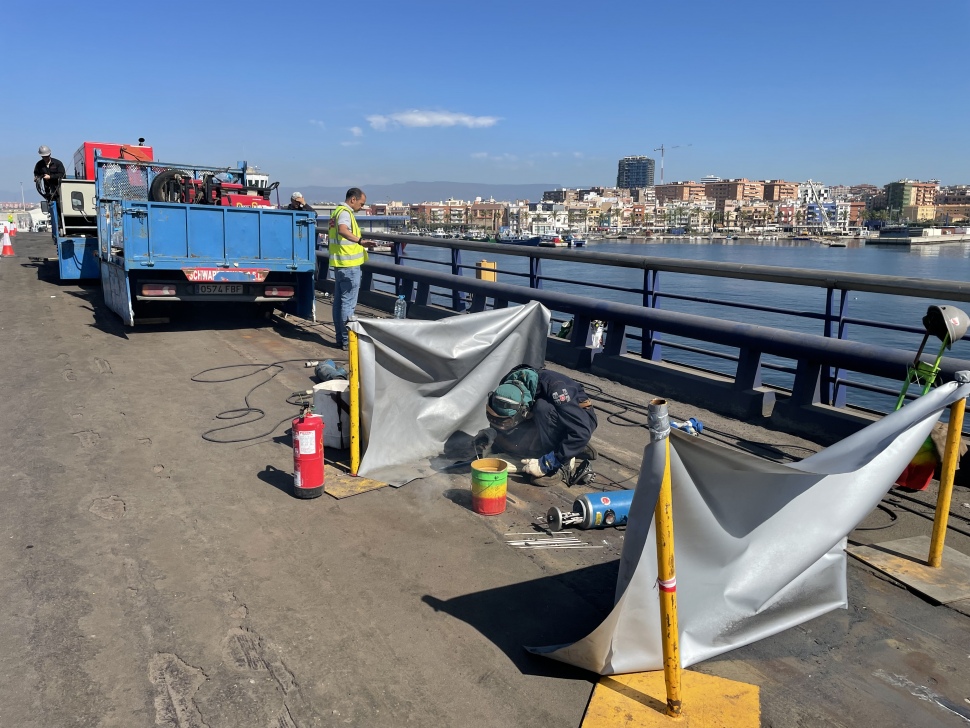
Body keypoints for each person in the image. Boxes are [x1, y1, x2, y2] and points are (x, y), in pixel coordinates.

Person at [481, 366, 597, 487]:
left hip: (580, 421)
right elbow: (502, 416)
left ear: (524, 410)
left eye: (507, 422)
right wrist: (492, 436)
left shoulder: (557, 389)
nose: (503, 426)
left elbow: (582, 431)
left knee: (542, 409)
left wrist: (547, 463)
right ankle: (571, 445)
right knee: (516, 443)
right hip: (543, 418)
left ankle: (563, 462)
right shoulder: (507, 385)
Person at [327, 187, 368, 351]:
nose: (362, 207)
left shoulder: (336, 212)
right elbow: (343, 230)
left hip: (339, 263)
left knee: (339, 303)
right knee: (348, 304)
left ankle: (340, 338)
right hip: (349, 265)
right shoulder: (345, 213)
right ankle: (346, 341)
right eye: (361, 203)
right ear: (353, 199)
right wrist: (360, 241)